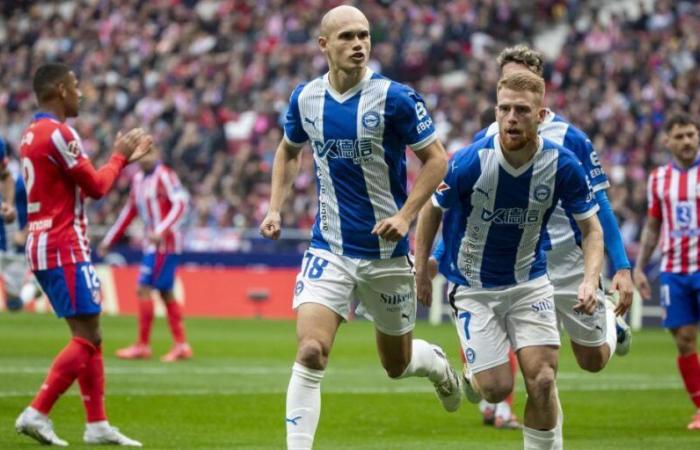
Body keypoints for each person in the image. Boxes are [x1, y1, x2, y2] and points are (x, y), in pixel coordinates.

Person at [259, 6, 457, 450]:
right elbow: (289, 151)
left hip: (385, 255)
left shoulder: (395, 98)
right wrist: (275, 207)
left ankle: (435, 362)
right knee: (311, 350)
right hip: (328, 247)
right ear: (323, 45)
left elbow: (437, 159)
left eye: (364, 35)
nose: (358, 44)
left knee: (396, 364)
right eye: (347, 36)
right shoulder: (305, 98)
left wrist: (405, 216)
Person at [415, 71, 604, 450]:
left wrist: (589, 279)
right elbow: (431, 211)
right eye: (504, 109)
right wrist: (422, 269)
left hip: (528, 283)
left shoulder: (562, 164)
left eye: (521, 110)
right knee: (496, 390)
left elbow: (593, 230)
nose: (511, 117)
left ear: (541, 115)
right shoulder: (470, 161)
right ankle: (454, 367)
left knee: (543, 380)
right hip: (475, 289)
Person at [473, 46, 634, 373]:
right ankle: (507, 406)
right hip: (521, 265)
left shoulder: (570, 138)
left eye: (522, 79)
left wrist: (621, 266)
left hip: (569, 263)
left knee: (592, 361)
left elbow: (599, 204)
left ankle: (610, 323)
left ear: (539, 86)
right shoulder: (487, 138)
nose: (514, 87)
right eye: (507, 81)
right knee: (540, 368)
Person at [14, 63, 151, 447]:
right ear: (59, 89)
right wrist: (120, 157)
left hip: (43, 241)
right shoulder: (58, 133)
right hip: (63, 243)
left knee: (90, 333)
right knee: (87, 338)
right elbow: (95, 186)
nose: (81, 93)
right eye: (75, 86)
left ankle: (97, 424)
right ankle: (37, 412)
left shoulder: (29, 133)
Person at [634, 113, 700, 430]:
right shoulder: (659, 179)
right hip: (674, 270)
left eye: (691, 135)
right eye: (680, 136)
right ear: (667, 141)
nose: (687, 141)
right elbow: (653, 224)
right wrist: (640, 267)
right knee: (684, 340)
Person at [98, 145, 191, 362]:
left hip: (165, 244)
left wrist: (161, 230)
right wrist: (109, 239)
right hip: (153, 244)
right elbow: (129, 211)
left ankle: (144, 345)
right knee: (165, 292)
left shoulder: (165, 175)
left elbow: (181, 204)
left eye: (149, 153)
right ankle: (180, 345)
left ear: (157, 154)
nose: (144, 158)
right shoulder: (138, 180)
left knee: (144, 287)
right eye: (140, 154)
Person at [0, 137, 40, 311]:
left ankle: (35, 286)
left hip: (14, 247)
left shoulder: (20, 183)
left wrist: (24, 233)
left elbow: (39, 208)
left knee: (14, 305)